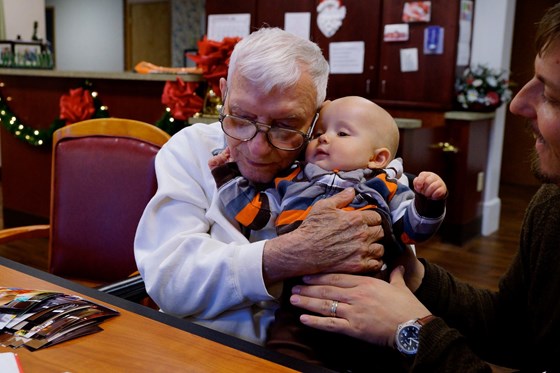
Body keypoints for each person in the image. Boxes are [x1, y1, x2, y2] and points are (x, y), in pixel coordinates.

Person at [288, 3, 560, 372]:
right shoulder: (551, 205)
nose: (517, 104)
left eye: (552, 96)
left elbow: (415, 218)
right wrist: (415, 276)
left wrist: (412, 331)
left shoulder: (383, 184)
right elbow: (513, 327)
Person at [133, 26, 389, 354]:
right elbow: (170, 280)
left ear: (317, 116)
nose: (256, 149)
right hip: (196, 351)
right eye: (240, 118)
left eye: (284, 127)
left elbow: (386, 280)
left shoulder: (348, 162)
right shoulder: (191, 150)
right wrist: (288, 255)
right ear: (224, 93)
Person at [208, 95, 448, 368]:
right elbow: (255, 213)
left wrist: (428, 202)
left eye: (342, 133)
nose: (323, 138)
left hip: (370, 308)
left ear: (377, 158)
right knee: (284, 356)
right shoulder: (291, 182)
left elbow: (412, 232)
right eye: (320, 133)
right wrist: (226, 176)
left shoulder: (385, 187)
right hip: (301, 309)